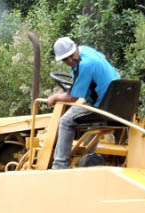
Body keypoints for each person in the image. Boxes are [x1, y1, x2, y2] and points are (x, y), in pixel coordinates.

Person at [46, 37, 120, 170]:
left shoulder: (85, 65)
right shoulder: (86, 50)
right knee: (87, 115)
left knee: (65, 121)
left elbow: (72, 98)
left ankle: (59, 166)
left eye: (71, 56)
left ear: (75, 48)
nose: (70, 60)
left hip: (103, 105)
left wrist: (55, 97)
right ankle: (88, 158)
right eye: (65, 59)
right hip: (116, 100)